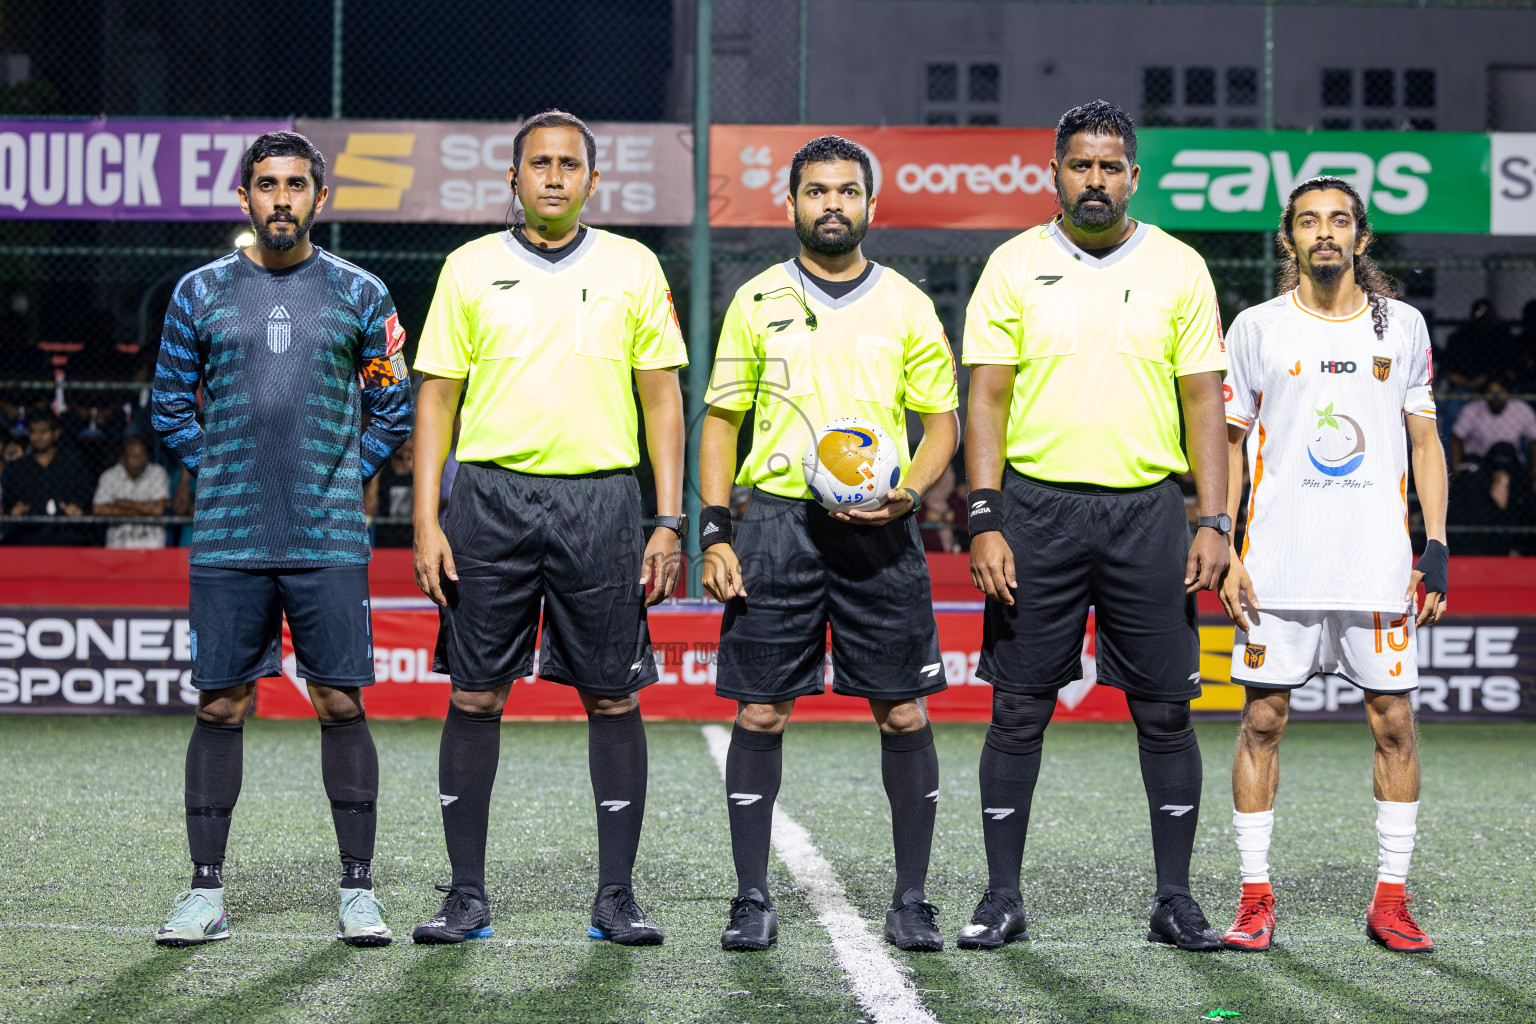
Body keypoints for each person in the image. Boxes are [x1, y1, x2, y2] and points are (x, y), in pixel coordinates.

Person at [409, 110, 686, 947]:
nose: (555, 176)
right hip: (489, 500)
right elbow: (437, 399)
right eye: (540, 164)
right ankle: (465, 896)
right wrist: (426, 518)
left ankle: (616, 897)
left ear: (593, 182)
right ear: (514, 179)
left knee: (611, 693)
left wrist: (669, 519)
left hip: (601, 501)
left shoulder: (635, 267)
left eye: (570, 164)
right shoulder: (467, 268)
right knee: (475, 691)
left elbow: (662, 397)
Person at [961, 100, 1230, 952]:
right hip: (1036, 510)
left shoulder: (1180, 268)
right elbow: (988, 399)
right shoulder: (1013, 264)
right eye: (1081, 165)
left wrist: (1214, 519)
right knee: (1017, 709)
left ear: (1134, 177)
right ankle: (1002, 897)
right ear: (1055, 173)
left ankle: (1175, 899)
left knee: (1165, 712)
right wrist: (984, 517)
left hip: (1147, 511)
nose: (1096, 180)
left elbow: (1203, 403)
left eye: (1111, 167)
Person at [150, 131, 414, 947]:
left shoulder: (362, 294)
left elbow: (393, 408)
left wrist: (342, 475)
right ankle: (204, 893)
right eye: (266, 185)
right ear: (244, 198)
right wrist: (222, 466)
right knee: (221, 704)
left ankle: (358, 891)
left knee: (339, 700)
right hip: (228, 538)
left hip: (327, 535)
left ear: (319, 199)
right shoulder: (197, 293)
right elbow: (167, 409)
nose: (281, 199)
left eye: (296, 185)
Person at [701, 134, 960, 953]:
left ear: (871, 206)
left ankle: (912, 899)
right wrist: (715, 529)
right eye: (816, 191)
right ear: (792, 204)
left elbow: (941, 424)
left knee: (902, 710)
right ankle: (751, 898)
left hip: (882, 534)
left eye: (848, 191)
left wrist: (910, 493)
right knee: (763, 711)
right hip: (777, 523)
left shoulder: (908, 305)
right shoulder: (755, 300)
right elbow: (721, 419)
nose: (832, 204)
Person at [1219, 176, 1449, 953]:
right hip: (1275, 566)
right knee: (1261, 721)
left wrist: (1438, 548)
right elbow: (1229, 444)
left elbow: (1425, 443)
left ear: (1362, 236)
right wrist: (1223, 541)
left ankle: (1390, 900)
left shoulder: (1403, 326)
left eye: (1339, 220)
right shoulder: (1256, 327)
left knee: (1394, 726)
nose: (1326, 233)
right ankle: (1254, 899)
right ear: (1288, 240)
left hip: (1376, 568)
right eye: (1310, 222)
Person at [1, 412, 94, 545]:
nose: (38, 437)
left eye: (44, 431)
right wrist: (14, 511)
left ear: (55, 433)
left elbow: (85, 499)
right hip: (29, 533)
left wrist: (79, 511)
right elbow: (9, 506)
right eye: (33, 432)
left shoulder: (73, 463)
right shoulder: (19, 468)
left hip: (66, 531)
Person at [93, 434, 169, 549]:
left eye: (142, 455)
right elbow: (98, 509)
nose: (140, 459)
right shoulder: (110, 476)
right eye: (134, 456)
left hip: (152, 545)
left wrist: (122, 504)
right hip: (118, 545)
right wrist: (140, 511)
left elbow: (158, 509)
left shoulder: (157, 473)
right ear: (122, 458)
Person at [1450, 380, 1536, 473]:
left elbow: (1534, 439)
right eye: (1491, 393)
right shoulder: (1473, 408)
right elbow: (1456, 439)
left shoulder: (1521, 409)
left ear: (1508, 393)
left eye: (1500, 393)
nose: (1496, 397)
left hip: (1509, 464)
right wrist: (1456, 471)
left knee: (1504, 449)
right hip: (1479, 463)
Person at [1438, 298, 1510, 394]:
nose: (1483, 323)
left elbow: (1507, 369)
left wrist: (1486, 378)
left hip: (1492, 387)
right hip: (1463, 387)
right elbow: (1447, 369)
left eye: (1486, 318)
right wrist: (1467, 383)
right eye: (1480, 317)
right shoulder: (1460, 338)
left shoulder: (1502, 338)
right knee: (1452, 405)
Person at [364, 436, 414, 547]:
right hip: (384, 540)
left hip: (412, 539)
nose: (405, 444)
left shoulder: (417, 473)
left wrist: (414, 470)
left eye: (409, 439)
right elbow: (369, 509)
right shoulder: (383, 471)